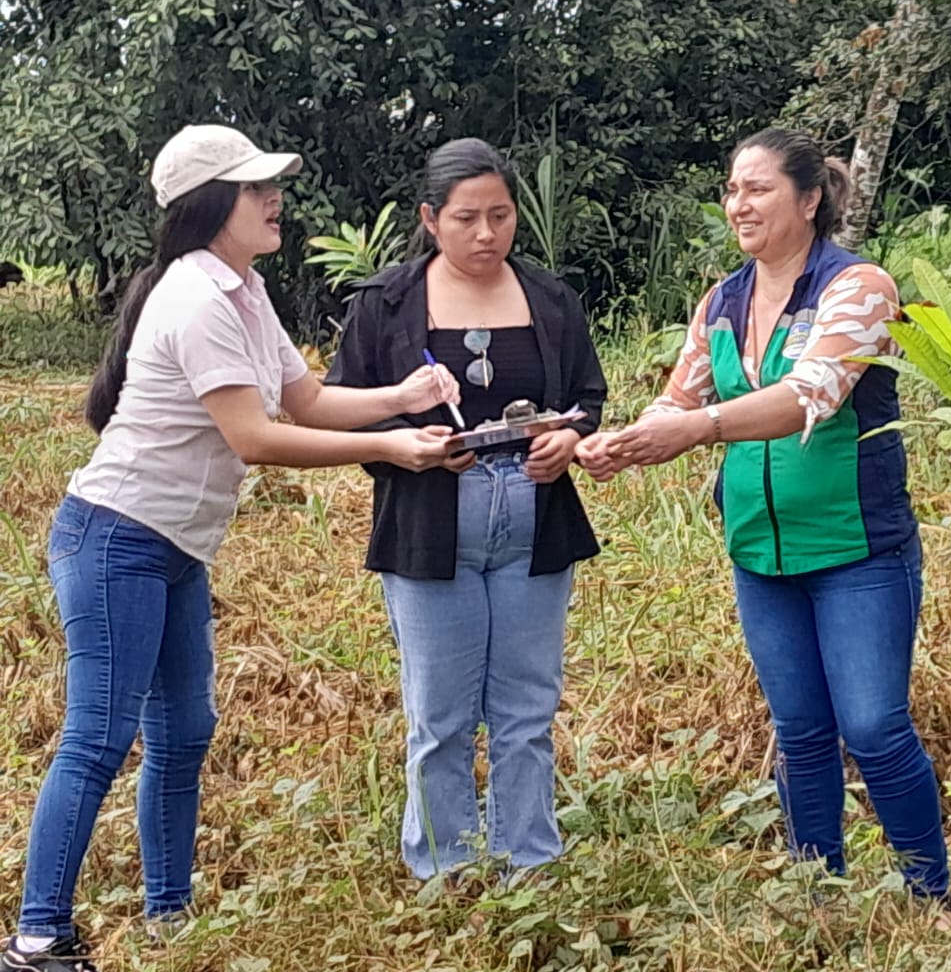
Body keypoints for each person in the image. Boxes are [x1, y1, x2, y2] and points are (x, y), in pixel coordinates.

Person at [4, 125, 460, 972]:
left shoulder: (243, 289)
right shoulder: (196, 299)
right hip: (116, 538)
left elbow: (307, 400)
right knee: (99, 737)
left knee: (185, 732)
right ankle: (37, 938)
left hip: (175, 546)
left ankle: (168, 917)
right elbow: (255, 437)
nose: (274, 198)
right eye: (256, 188)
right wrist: (393, 447)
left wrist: (403, 394)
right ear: (211, 204)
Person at [578, 127, 950, 899]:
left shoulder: (859, 287)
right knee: (801, 731)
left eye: (757, 189)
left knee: (874, 728)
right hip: (760, 553)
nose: (738, 205)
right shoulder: (723, 302)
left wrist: (698, 429)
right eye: (732, 190)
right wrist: (628, 441)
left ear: (809, 201)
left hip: (857, 549)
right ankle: (817, 892)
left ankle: (928, 892)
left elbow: (810, 395)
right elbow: (680, 398)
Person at [325, 138, 606, 882]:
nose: (486, 234)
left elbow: (587, 396)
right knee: (440, 715)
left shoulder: (549, 298)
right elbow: (343, 406)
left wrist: (567, 439)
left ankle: (528, 861)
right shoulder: (386, 302)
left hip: (534, 517)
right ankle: (442, 867)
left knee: (527, 709)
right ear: (430, 219)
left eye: (501, 216)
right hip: (430, 519)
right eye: (466, 219)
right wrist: (406, 447)